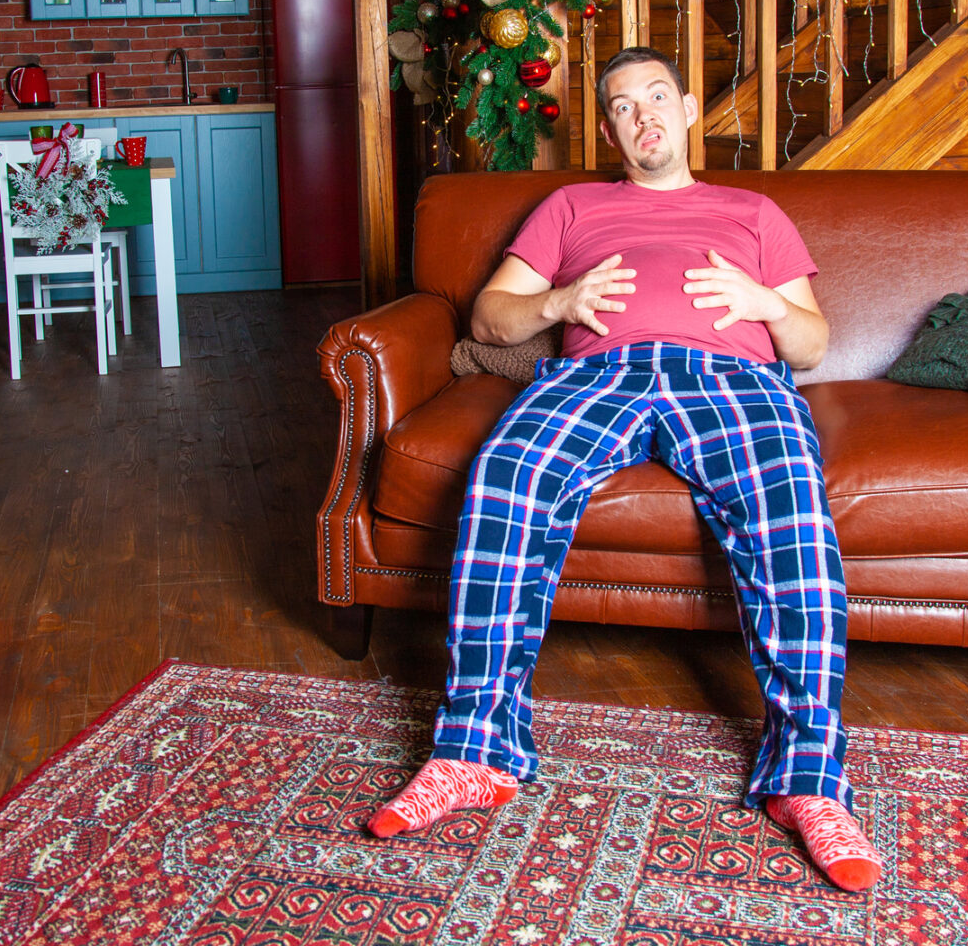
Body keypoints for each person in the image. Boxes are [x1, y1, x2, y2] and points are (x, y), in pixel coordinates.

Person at [366, 47, 882, 893]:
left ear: (685, 111)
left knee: (792, 509)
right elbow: (491, 319)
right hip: (595, 374)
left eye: (656, 98)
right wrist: (559, 304)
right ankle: (474, 755)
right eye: (621, 107)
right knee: (505, 479)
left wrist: (766, 306)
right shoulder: (569, 206)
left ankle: (808, 782)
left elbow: (815, 343)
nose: (641, 116)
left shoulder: (753, 211)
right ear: (608, 128)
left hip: (734, 378)